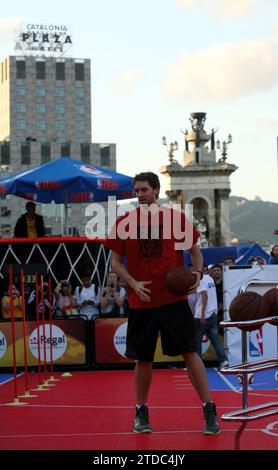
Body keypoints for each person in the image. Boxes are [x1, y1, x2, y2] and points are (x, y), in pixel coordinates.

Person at [106, 171, 220, 435]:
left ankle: (209, 409)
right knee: (143, 360)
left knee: (190, 353)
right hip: (141, 301)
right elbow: (114, 263)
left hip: (173, 299)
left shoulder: (175, 219)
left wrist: (198, 272)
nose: (140, 195)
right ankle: (140, 410)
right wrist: (133, 283)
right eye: (136, 191)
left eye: (144, 190)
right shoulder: (125, 222)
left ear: (156, 190)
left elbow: (195, 252)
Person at [188, 273, 229, 370]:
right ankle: (223, 361)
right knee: (215, 339)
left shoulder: (201, 280)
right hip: (213, 313)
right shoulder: (210, 278)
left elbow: (204, 295)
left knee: (197, 341)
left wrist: (202, 313)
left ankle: (197, 365)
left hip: (202, 315)